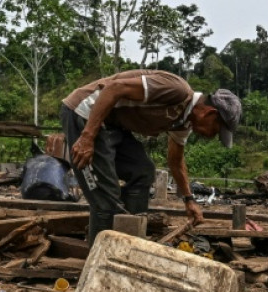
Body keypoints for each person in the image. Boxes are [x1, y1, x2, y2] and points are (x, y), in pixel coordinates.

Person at [60, 69, 242, 242]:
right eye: (216, 130)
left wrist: (189, 199)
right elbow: (114, 88)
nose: (211, 136)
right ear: (209, 113)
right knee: (105, 200)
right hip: (85, 113)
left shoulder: (183, 122)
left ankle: (130, 238)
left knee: (143, 171)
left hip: (112, 124)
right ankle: (101, 257)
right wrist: (87, 136)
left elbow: (176, 161)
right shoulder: (176, 90)